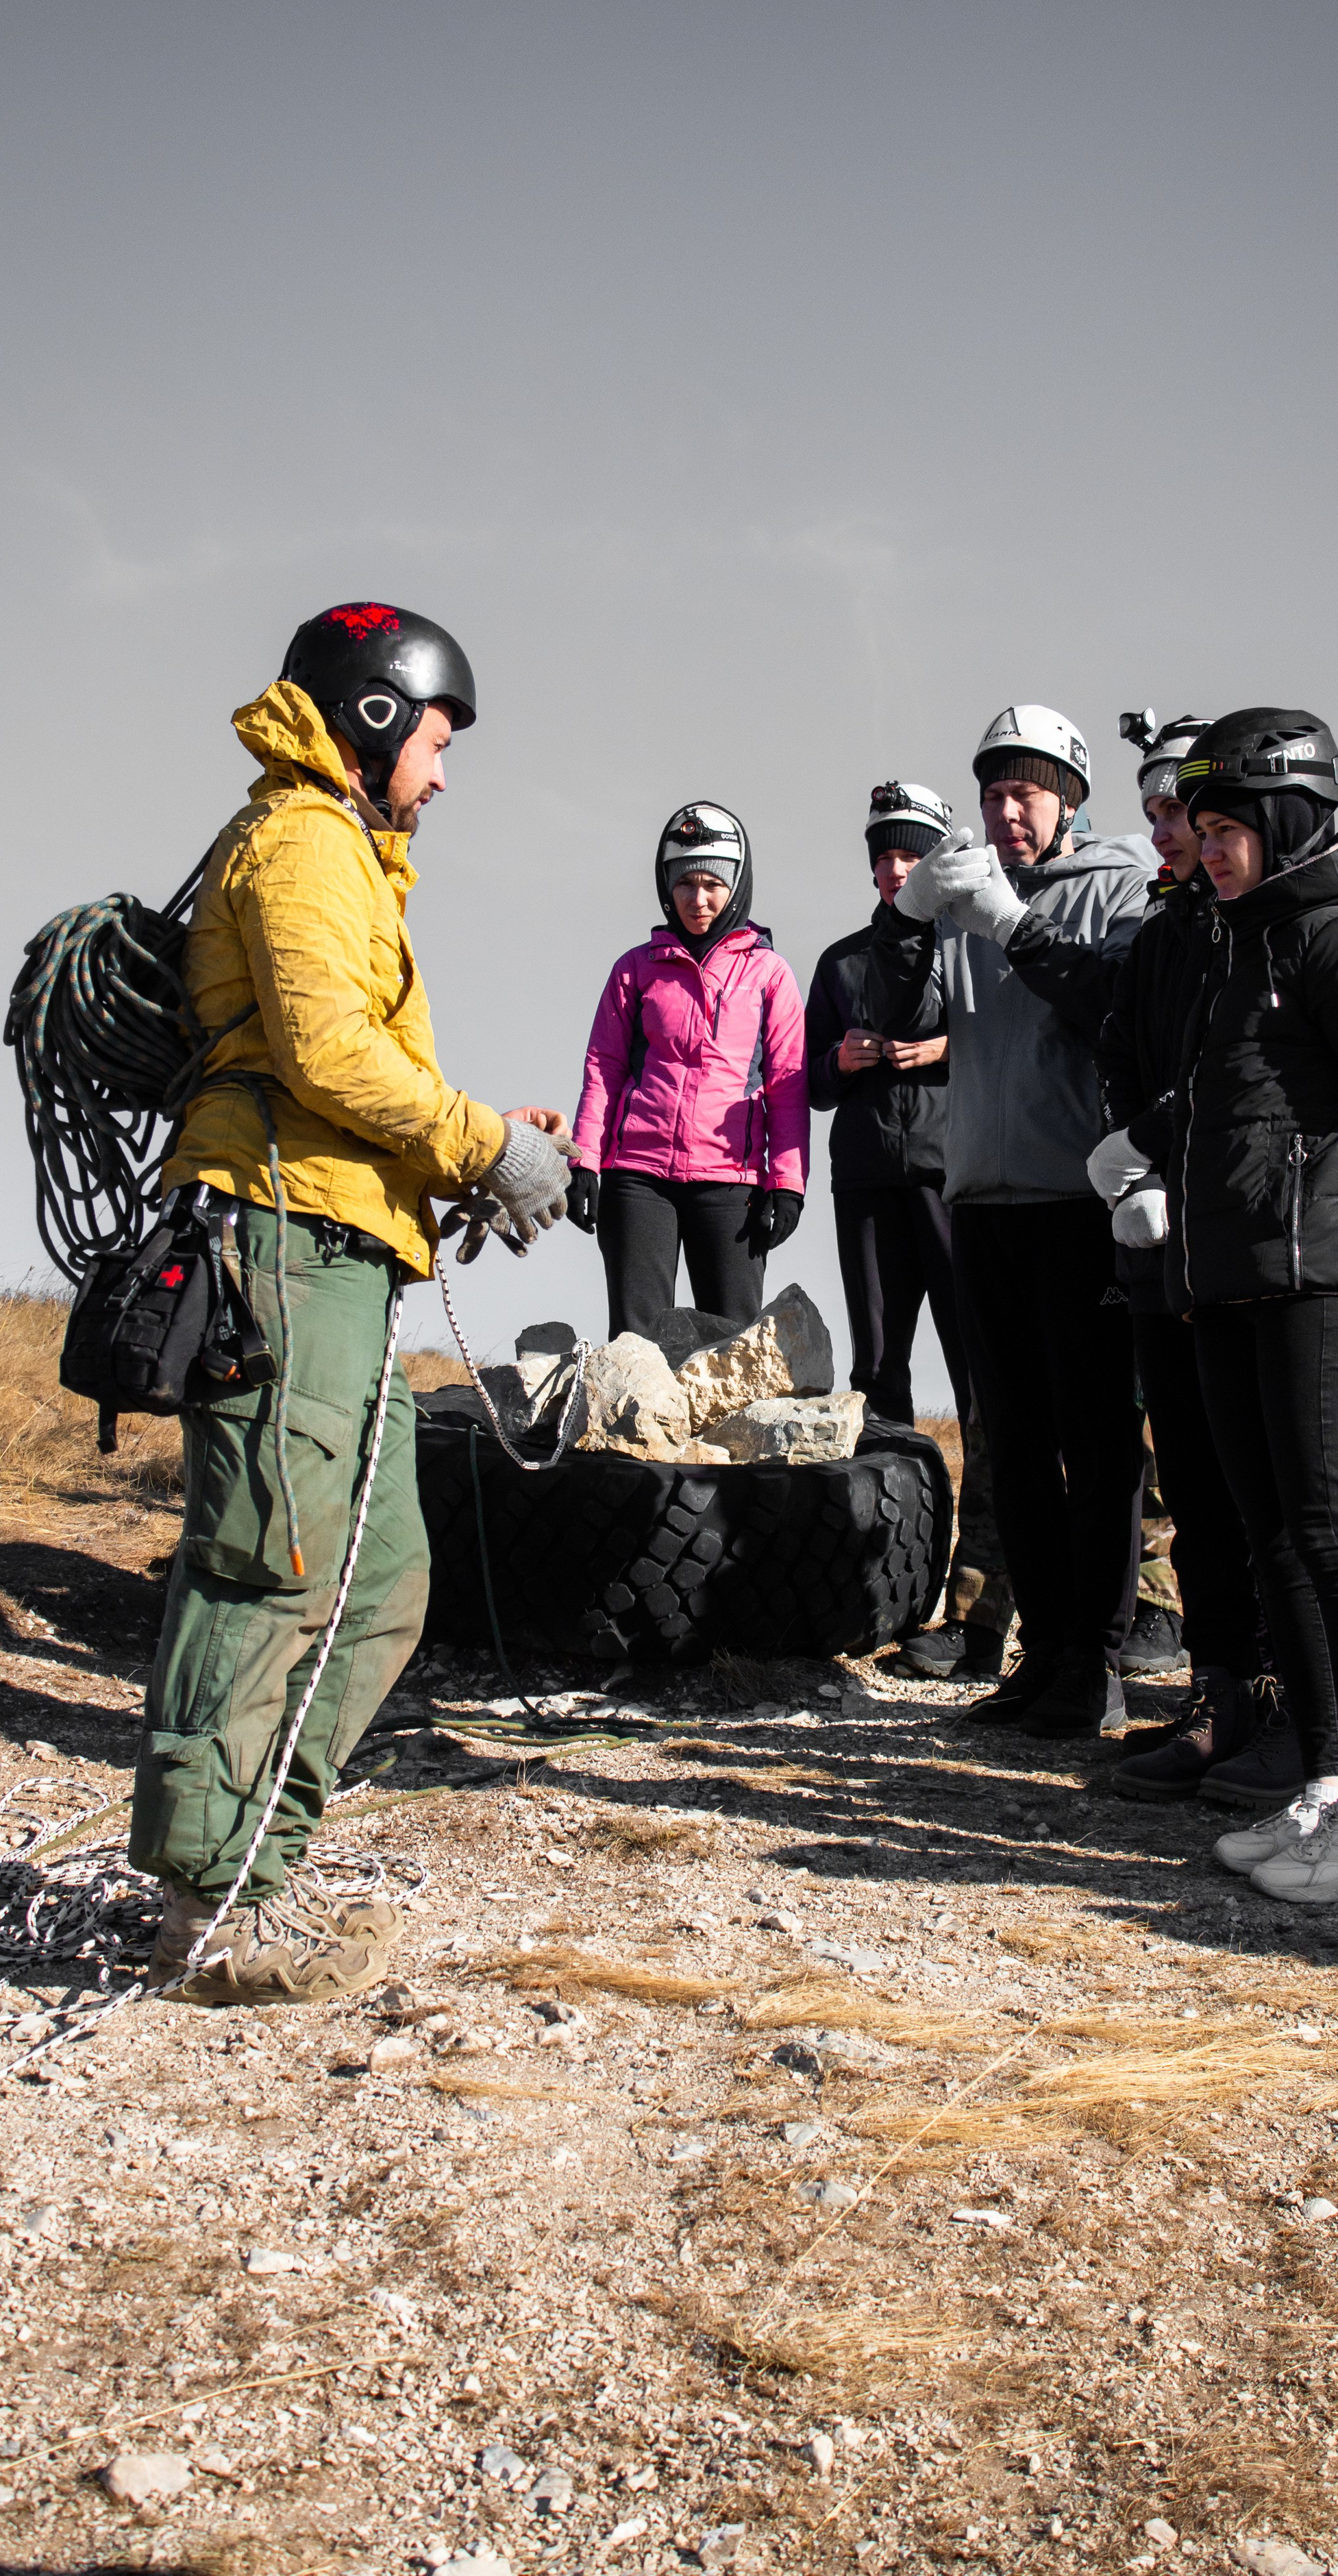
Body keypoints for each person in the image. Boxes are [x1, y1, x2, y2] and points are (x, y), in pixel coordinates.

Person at [133, 603, 571, 2002]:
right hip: (281, 1249)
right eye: (436, 743)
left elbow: (328, 1072)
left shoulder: (346, 851)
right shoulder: (307, 843)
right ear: (376, 718)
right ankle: (207, 1903)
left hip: (338, 1244)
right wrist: (480, 1147)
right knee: (270, 1566)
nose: (442, 777)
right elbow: (325, 1053)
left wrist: (456, 1162)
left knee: (381, 1581)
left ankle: (257, 1862)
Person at [1152, 707, 1338, 1904]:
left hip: (1314, 1276)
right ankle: (1327, 1787)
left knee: (1329, 1533)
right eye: (1202, 828)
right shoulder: (1247, 939)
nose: (1210, 848)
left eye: (1229, 829)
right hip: (1232, 1276)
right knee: (1273, 1532)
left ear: (1283, 822)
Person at [887, 705, 1152, 1738]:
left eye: (1027, 792)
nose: (1006, 812)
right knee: (1014, 1446)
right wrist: (907, 917)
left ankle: (1099, 1661)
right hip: (980, 1201)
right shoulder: (963, 896)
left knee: (1097, 1444)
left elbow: (1116, 1010)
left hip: (1077, 1205)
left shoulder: (1118, 886)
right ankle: (1043, 1656)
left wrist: (1014, 923)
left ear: (1071, 799)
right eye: (993, 792)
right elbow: (904, 1018)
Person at [1092, 713, 1292, 1808]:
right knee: (1198, 1486)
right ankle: (1217, 1698)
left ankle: (1281, 1701)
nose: (1170, 833)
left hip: (1251, 1247)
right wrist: (1136, 1173)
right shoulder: (1161, 941)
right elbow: (1122, 1063)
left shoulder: (1257, 931)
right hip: (1158, 1249)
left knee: (1259, 1481)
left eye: (1187, 812)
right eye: (1160, 815)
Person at [806, 780, 1013, 1681]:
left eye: (908, 854)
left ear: (934, 861)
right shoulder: (843, 960)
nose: (893, 869)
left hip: (956, 1183)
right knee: (877, 1376)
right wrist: (838, 1060)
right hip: (865, 1187)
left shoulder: (974, 951)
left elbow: (1017, 1046)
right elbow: (808, 1082)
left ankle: (976, 1603)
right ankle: (879, 1586)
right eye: (881, 856)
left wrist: (944, 1050)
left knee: (982, 1380)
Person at [566, 805, 808, 1336]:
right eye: (685, 885)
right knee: (635, 1345)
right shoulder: (635, 968)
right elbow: (603, 1068)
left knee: (733, 1345)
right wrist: (584, 1161)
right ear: (666, 886)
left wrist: (787, 1184)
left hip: (731, 1183)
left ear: (737, 886)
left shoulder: (770, 974)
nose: (697, 900)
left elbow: (789, 1085)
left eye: (712, 885)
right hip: (637, 1178)